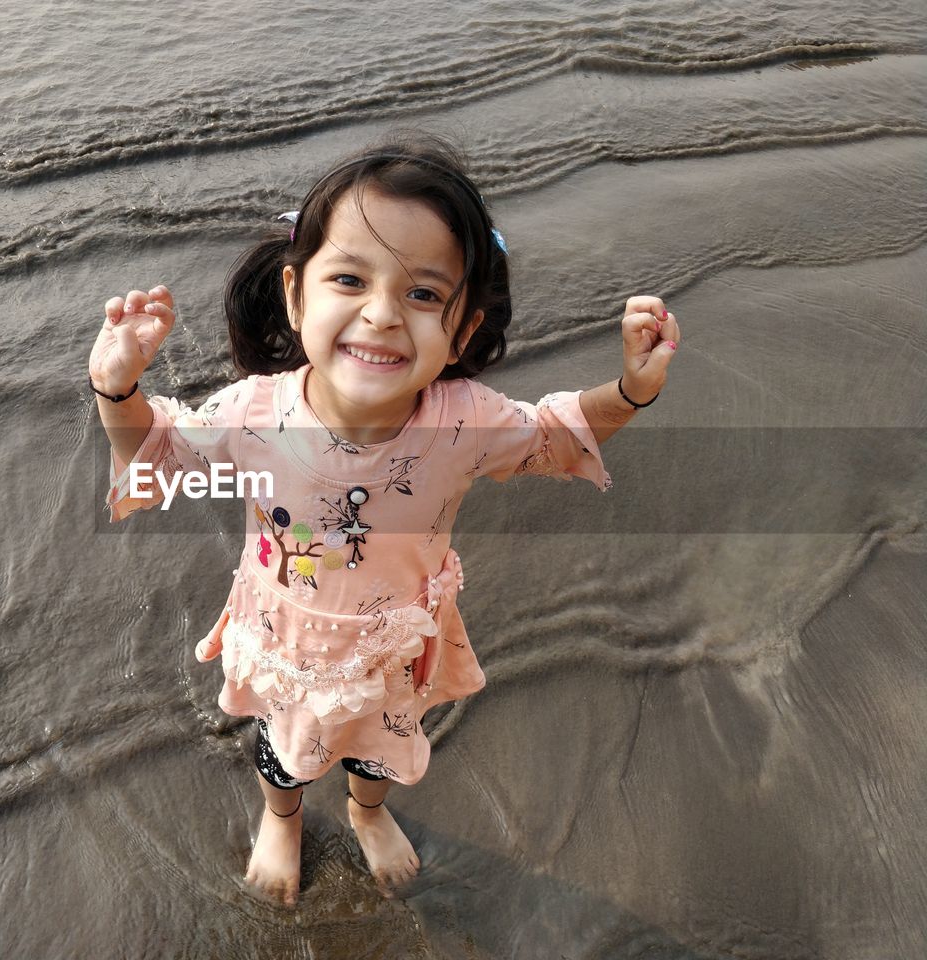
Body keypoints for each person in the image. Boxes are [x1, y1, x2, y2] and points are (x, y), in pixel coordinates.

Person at [88, 132, 679, 907]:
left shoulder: (463, 421)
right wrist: (116, 392)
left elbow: (553, 437)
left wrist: (631, 390)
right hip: (286, 638)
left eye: (424, 294)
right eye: (349, 278)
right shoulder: (253, 413)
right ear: (297, 295)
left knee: (382, 752)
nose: (381, 314)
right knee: (284, 750)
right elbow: (157, 457)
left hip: (396, 647)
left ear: (463, 330)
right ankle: (282, 820)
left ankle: (369, 816)